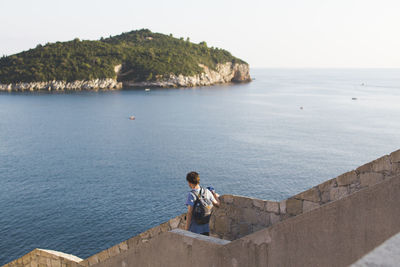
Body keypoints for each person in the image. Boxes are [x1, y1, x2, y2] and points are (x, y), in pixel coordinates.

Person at [185, 171, 220, 236]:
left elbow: (190, 212)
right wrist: (215, 195)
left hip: (195, 230)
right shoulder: (207, 191)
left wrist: (186, 229)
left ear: (189, 182)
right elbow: (217, 204)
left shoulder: (191, 194)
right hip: (206, 228)